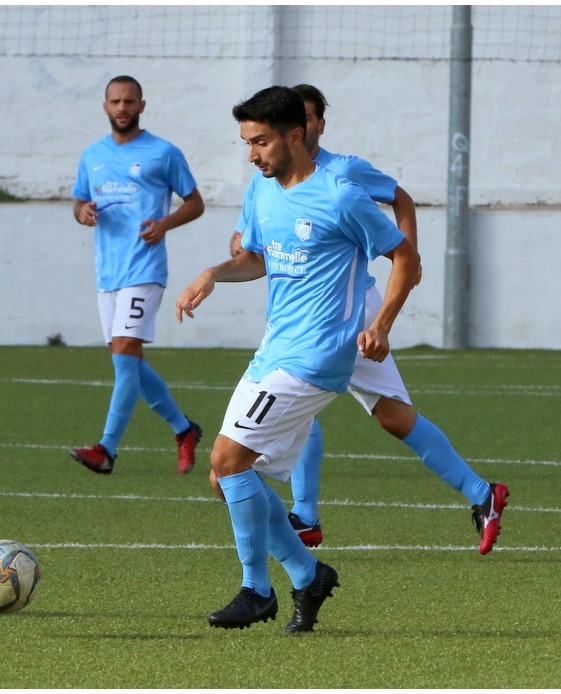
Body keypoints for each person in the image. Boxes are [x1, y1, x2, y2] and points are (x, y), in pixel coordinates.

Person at [175, 86, 421, 633]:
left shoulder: (341, 195)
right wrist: (214, 273)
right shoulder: (263, 191)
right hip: (274, 351)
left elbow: (406, 257)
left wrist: (381, 324)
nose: (251, 154)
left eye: (260, 142)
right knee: (225, 477)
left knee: (227, 458)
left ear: (295, 136)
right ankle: (307, 575)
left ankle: (256, 590)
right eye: (246, 142)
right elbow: (257, 260)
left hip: (317, 357)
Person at [232, 84, 509, 554]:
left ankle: (305, 520)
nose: (303, 124)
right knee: (369, 412)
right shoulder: (267, 178)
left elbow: (400, 199)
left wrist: (407, 257)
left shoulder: (343, 174)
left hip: (349, 310)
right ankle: (478, 493)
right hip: (299, 316)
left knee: (358, 409)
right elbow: (251, 243)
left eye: (309, 116)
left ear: (313, 126)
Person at [69, 75, 205, 475]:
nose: (122, 108)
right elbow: (79, 202)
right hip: (107, 272)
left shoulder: (163, 152)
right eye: (115, 101)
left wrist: (164, 224)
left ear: (142, 106)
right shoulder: (92, 155)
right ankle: (184, 429)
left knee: (125, 356)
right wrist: (82, 212)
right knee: (128, 362)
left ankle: (106, 449)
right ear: (105, 106)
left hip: (144, 269)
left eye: (129, 101)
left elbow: (195, 203)